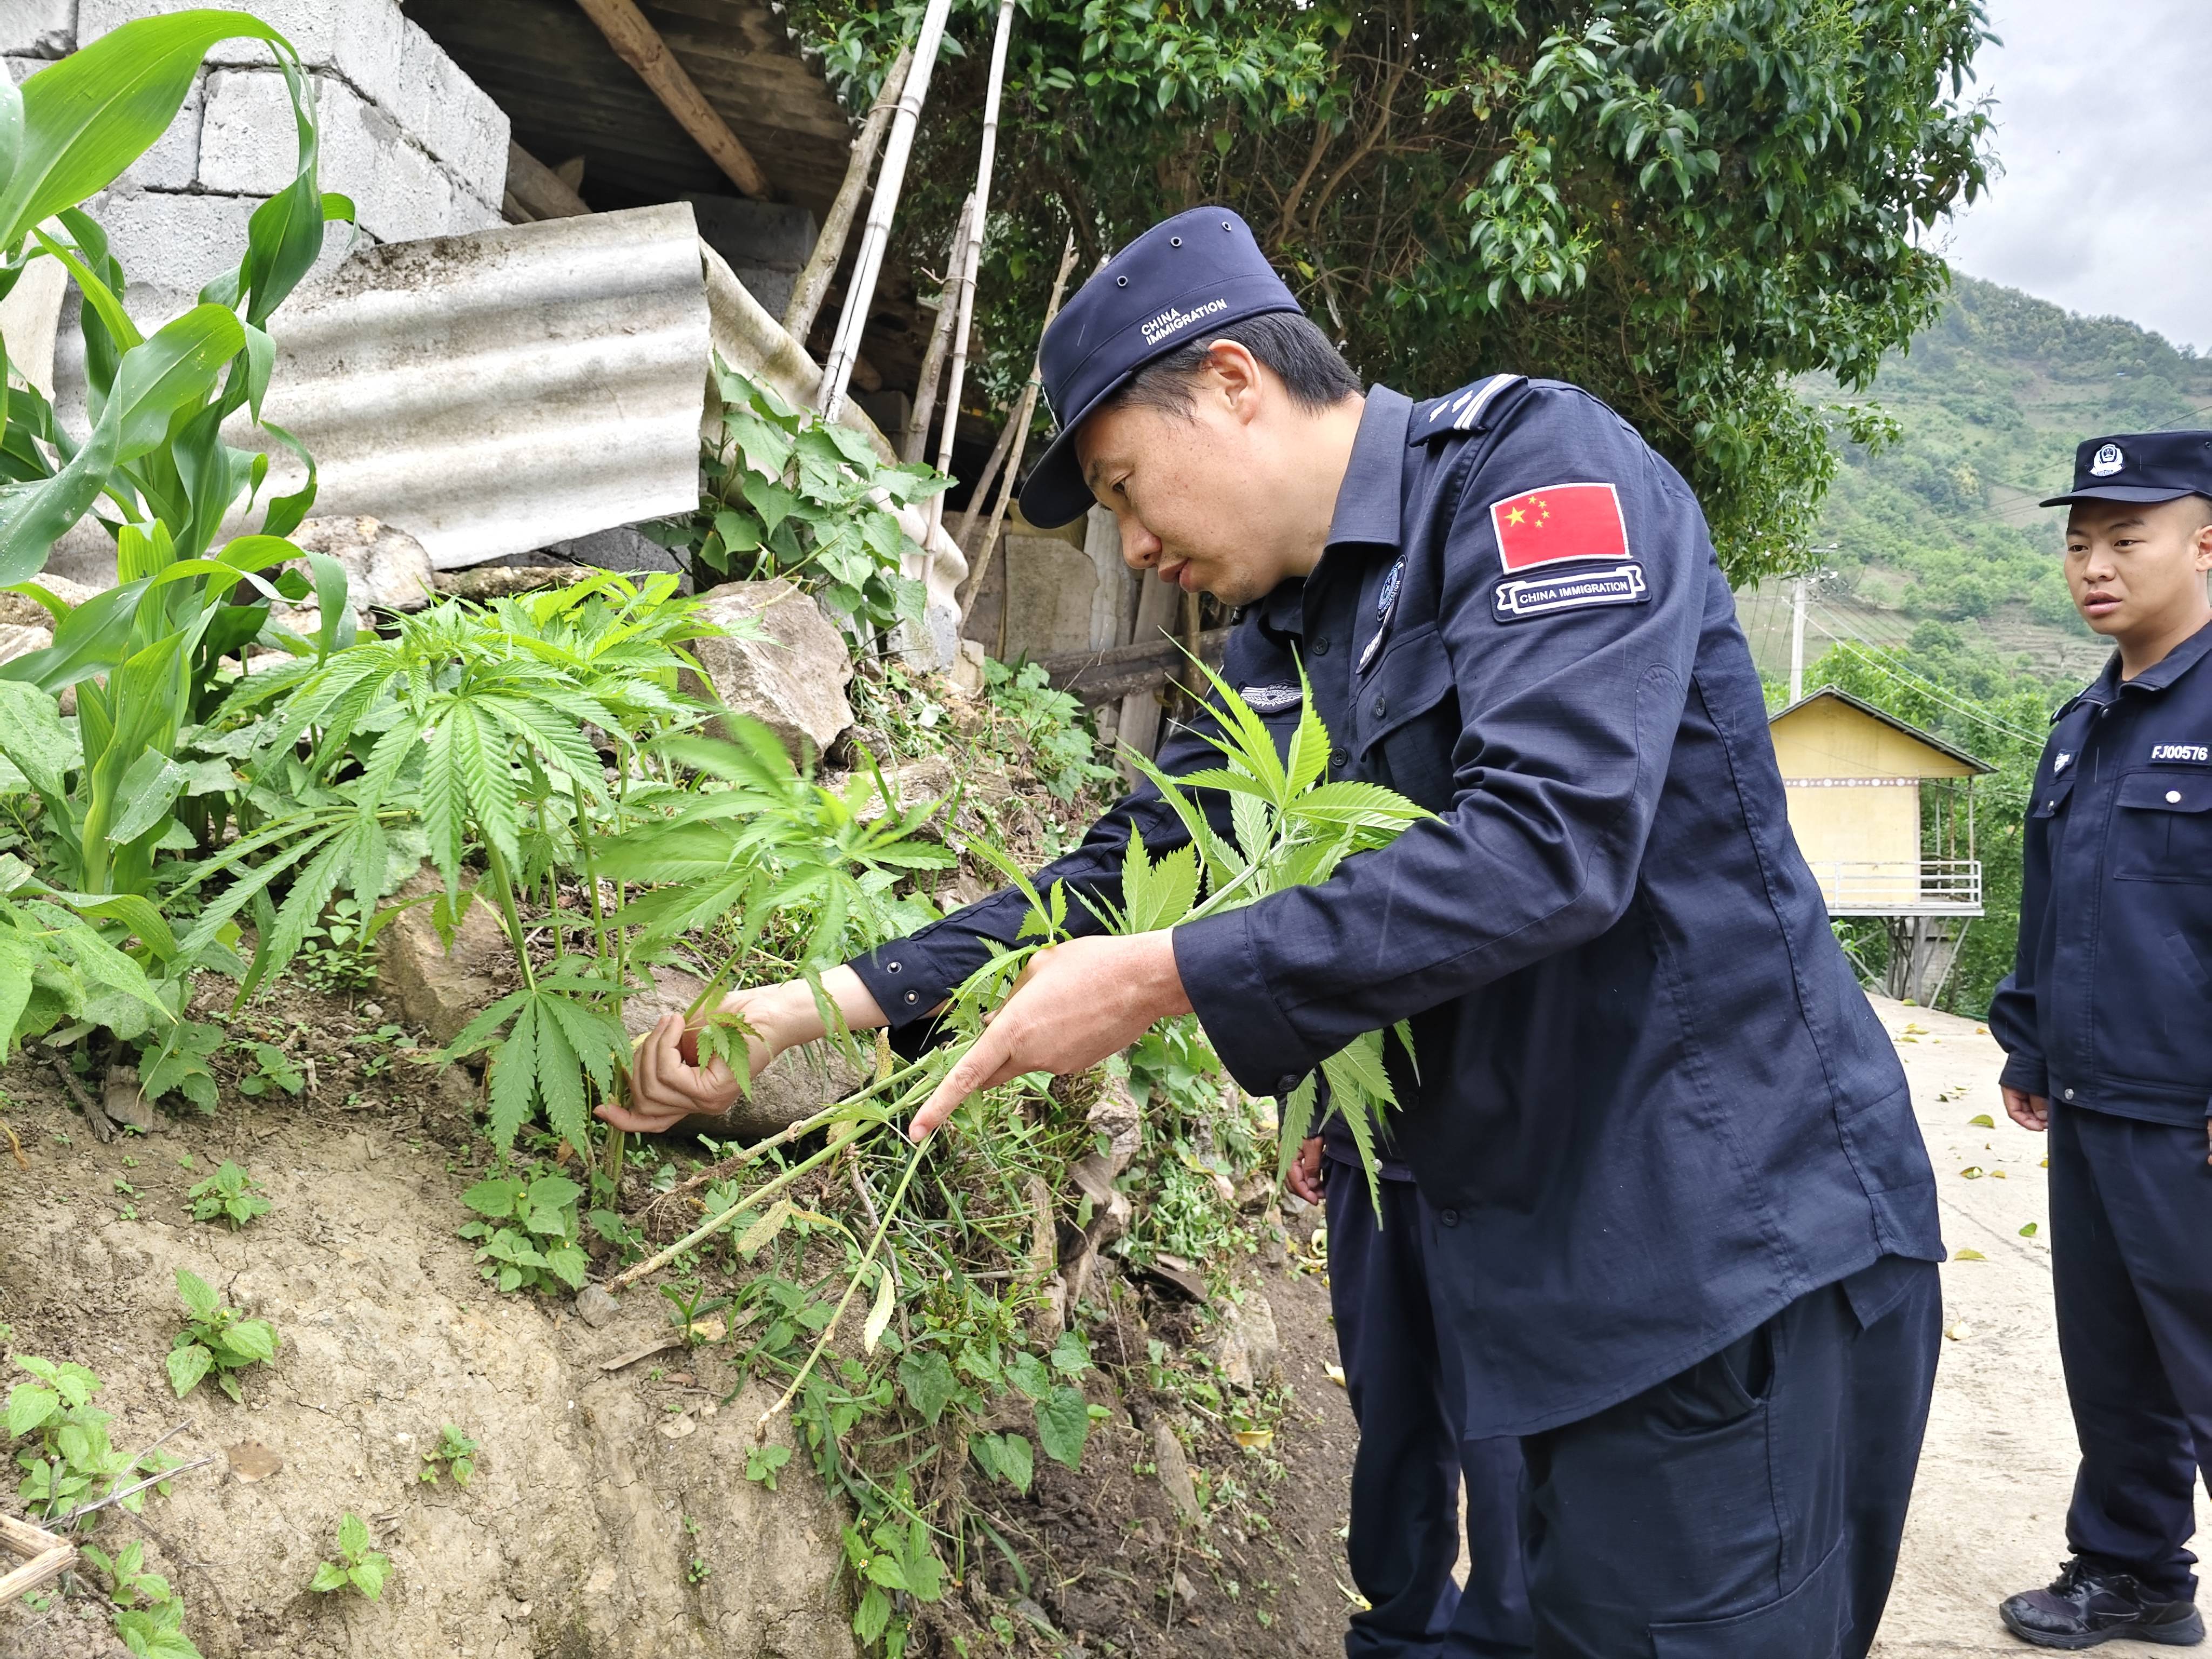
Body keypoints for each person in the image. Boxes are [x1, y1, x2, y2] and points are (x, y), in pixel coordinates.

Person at [610, 206, 1946, 1654]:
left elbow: (1553, 844)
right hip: (1535, 1268)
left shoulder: (1536, 476)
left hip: (1719, 1261)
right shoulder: (1290, 635)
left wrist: (1167, 981)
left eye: (1126, 483)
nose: (1133, 542)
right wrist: (809, 1008)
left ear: (1235, 381)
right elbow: (1124, 876)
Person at [1988, 432, 2212, 1651]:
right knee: (2112, 1359)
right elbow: (2051, 898)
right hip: (2089, 1097)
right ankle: (2132, 1573)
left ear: (2201, 544)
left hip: (2190, 1112)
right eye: (2077, 544)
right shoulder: (2082, 721)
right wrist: (2026, 1045)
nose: (2094, 566)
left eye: (2125, 539)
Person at [1289, 1127, 1534, 1657]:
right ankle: (1401, 1637)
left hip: (1500, 1167)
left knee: (1507, 1439)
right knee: (1391, 1416)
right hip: (1363, 1161)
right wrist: (1300, 1114)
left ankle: (1512, 1639)